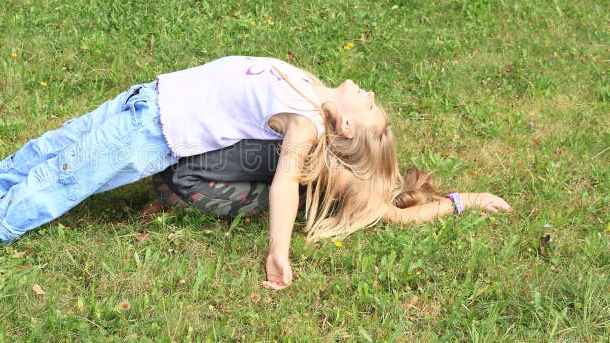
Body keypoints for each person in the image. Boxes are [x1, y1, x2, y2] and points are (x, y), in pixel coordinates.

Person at [0, 56, 510, 290]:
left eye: (368, 105)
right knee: (52, 147)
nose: (367, 91)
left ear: (346, 130)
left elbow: (287, 184)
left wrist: (277, 254)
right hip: (147, 99)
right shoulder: (316, 93)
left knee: (58, 183)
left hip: (153, 135)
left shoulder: (308, 127)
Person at [145, 139, 510, 224]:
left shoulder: (337, 142)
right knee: (292, 202)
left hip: (178, 147)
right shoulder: (346, 179)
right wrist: (464, 200)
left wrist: (466, 198)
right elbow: (399, 218)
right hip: (180, 179)